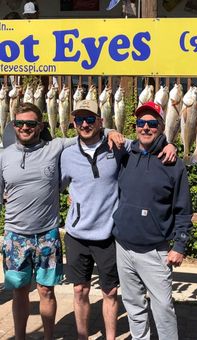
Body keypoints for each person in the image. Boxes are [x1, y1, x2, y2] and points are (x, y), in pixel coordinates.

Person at [0, 102, 121, 340]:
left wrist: (111, 132)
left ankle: (48, 337)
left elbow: (87, 134)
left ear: (41, 126)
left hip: (48, 234)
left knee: (46, 290)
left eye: (31, 123)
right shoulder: (3, 156)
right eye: (19, 123)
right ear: (13, 126)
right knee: (20, 292)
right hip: (15, 235)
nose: (25, 127)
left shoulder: (55, 147)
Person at [60, 99, 176, 340]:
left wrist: (171, 145)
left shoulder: (119, 146)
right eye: (79, 119)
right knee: (80, 290)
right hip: (76, 234)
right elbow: (58, 185)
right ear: (73, 122)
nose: (84, 124)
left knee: (110, 291)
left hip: (107, 234)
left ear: (100, 121)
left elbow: (149, 143)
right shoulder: (67, 153)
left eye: (90, 119)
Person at [112, 102, 193, 340]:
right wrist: (110, 132)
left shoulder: (173, 162)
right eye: (140, 123)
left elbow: (183, 208)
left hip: (155, 251)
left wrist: (180, 245)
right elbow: (97, 132)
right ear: (135, 126)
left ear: (160, 126)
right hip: (123, 246)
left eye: (151, 123)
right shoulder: (126, 154)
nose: (145, 128)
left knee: (163, 308)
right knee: (133, 304)